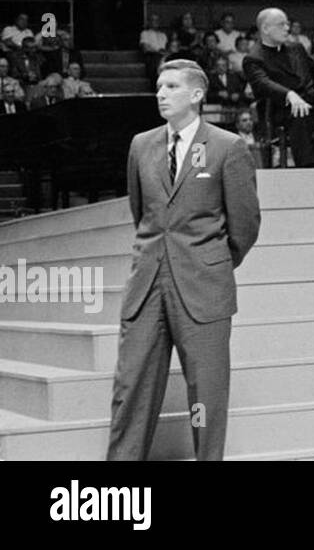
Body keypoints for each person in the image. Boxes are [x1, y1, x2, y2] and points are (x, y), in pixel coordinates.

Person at [107, 59, 261, 461]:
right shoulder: (142, 145)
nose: (161, 93)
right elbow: (141, 213)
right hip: (147, 285)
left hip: (203, 286)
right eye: (159, 86)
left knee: (206, 396)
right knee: (131, 389)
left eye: (172, 86)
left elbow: (244, 225)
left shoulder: (229, 147)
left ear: (196, 95)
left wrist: (210, 260)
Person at [243, 8, 314, 167]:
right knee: (300, 115)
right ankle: (307, 168)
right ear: (265, 28)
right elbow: (263, 84)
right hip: (282, 109)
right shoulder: (253, 58)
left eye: (287, 24)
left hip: (313, 102)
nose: (287, 28)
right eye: (281, 25)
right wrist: (288, 94)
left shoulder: (296, 48)